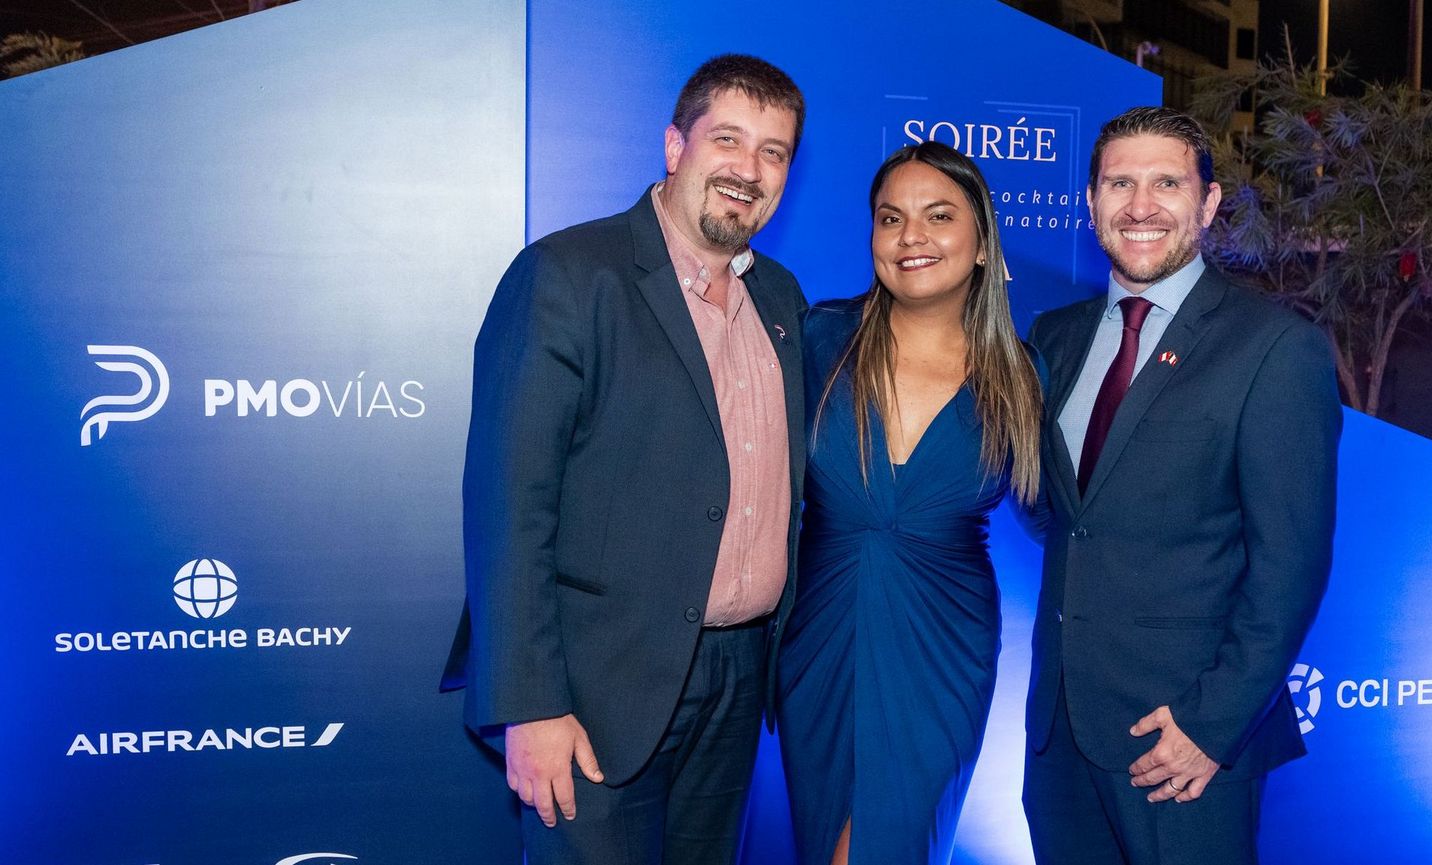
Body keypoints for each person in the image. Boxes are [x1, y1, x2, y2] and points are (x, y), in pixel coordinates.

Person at [440, 55, 808, 864]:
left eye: (774, 152)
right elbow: (509, 504)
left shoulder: (780, 297)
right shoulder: (569, 275)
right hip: (595, 688)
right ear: (676, 146)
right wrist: (530, 703)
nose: (748, 169)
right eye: (728, 139)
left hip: (739, 679)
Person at [1021, 106, 1341, 865]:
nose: (1141, 206)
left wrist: (1213, 724)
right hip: (1059, 736)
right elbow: (1065, 512)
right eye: (1119, 184)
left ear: (1208, 202)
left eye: (1166, 183)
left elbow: (1290, 565)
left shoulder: (1275, 348)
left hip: (1184, 741)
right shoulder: (1054, 336)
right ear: (1091, 201)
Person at [777, 140, 1045, 865]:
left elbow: (1068, 517)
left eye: (939, 215)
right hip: (820, 635)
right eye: (891, 218)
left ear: (983, 243)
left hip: (943, 647)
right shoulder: (819, 337)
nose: (910, 236)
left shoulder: (1020, 374)